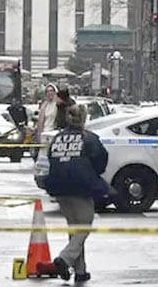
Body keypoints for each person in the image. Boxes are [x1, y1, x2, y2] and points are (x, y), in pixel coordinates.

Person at [43, 104, 109, 283]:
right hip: (81, 188)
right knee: (84, 226)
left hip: (59, 187)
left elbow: (50, 158)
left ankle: (80, 270)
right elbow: (101, 161)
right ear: (84, 118)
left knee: (74, 229)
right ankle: (65, 259)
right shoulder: (89, 138)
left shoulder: (58, 138)